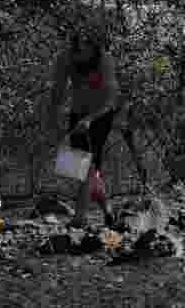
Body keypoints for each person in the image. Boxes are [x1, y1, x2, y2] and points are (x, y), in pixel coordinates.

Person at [46, 23, 121, 228]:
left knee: (86, 167)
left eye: (86, 47)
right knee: (77, 168)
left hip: (101, 115)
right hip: (77, 114)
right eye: (77, 48)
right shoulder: (65, 58)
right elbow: (58, 91)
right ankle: (107, 210)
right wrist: (53, 118)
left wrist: (90, 119)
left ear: (93, 47)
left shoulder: (105, 60)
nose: (81, 53)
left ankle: (80, 218)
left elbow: (111, 100)